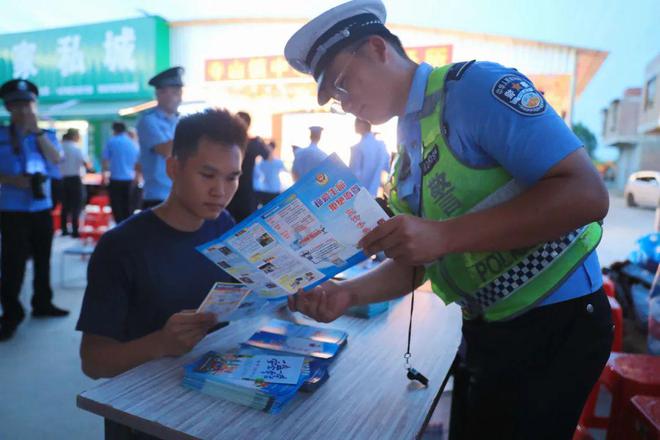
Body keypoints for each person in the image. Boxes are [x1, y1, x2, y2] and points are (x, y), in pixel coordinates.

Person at [283, 2, 612, 439]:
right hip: (488, 330)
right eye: (334, 99)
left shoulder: (475, 88)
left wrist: (442, 235)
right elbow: (417, 259)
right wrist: (347, 294)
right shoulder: (406, 149)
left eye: (343, 84)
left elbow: (587, 194)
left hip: (556, 322)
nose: (344, 104)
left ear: (378, 49)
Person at [77, 108, 246, 383]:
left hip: (217, 385)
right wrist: (160, 344)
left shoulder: (223, 224)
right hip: (142, 404)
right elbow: (93, 361)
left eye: (231, 177)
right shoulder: (121, 246)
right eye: (207, 175)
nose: (220, 191)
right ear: (173, 168)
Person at [0, 79, 69, 341]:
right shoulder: (1, 135)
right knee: (12, 262)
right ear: (8, 108)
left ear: (35, 106)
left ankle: (42, 303)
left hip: (41, 206)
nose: (23, 111)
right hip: (12, 208)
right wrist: (9, 179)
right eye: (16, 106)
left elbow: (57, 159)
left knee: (43, 257)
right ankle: (11, 314)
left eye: (27, 105)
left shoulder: (47, 135)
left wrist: (37, 132)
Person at [136, 66, 184, 209]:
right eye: (174, 92)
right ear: (160, 93)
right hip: (158, 196)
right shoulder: (148, 121)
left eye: (180, 92)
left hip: (180, 195)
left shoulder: (179, 121)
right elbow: (166, 150)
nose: (179, 97)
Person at [225, 111, 269, 222]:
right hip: (244, 191)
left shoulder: (227, 142)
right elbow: (267, 155)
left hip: (234, 189)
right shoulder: (253, 143)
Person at [103, 121, 140, 224]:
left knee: (117, 207)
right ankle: (128, 229)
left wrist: (104, 176)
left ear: (114, 130)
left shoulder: (111, 142)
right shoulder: (132, 143)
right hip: (130, 180)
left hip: (115, 179)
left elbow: (105, 161)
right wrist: (137, 177)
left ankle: (119, 228)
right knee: (128, 207)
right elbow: (138, 162)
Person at [59, 128, 92, 237]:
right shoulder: (76, 149)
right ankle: (75, 230)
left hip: (63, 179)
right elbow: (86, 164)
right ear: (74, 136)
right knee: (76, 206)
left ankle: (64, 229)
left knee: (65, 205)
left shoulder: (60, 148)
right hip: (75, 179)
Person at [349, 118, 390, 196]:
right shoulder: (381, 145)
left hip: (360, 194)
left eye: (356, 124)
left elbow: (354, 174)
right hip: (378, 193)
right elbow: (387, 167)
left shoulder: (358, 148)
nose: (355, 126)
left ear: (363, 125)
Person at [254, 141, 286, 206]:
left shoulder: (278, 162)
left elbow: (284, 172)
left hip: (275, 189)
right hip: (265, 189)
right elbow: (258, 175)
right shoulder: (261, 163)